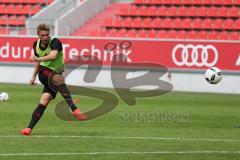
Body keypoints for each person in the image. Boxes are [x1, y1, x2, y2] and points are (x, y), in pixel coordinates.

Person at [21, 24, 86, 136]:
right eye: (42, 35)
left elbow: (53, 56)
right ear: (38, 36)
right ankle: (73, 108)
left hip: (54, 75)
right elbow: (38, 62)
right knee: (58, 79)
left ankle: (28, 128)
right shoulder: (35, 44)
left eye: (47, 35)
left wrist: (37, 58)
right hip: (44, 73)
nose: (45, 37)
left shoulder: (55, 42)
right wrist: (33, 76)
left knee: (44, 100)